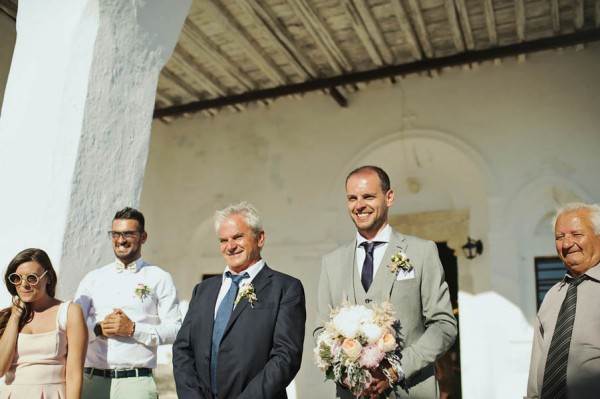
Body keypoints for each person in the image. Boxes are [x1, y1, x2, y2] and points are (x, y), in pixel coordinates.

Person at [315, 165, 457, 398]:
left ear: (389, 197)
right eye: (352, 198)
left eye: (368, 196)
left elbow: (444, 324)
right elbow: (321, 331)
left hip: (410, 391)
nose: (359, 205)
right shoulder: (331, 263)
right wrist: (345, 374)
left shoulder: (421, 252)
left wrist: (397, 369)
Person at [173, 201, 306, 399]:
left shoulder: (285, 288)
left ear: (259, 238)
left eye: (238, 237)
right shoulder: (203, 290)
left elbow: (286, 357)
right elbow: (182, 349)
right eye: (223, 240)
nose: (230, 246)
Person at [74, 207, 181, 399]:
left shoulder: (159, 278)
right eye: (115, 234)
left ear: (143, 237)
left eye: (128, 234)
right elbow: (73, 328)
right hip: (93, 379)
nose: (120, 240)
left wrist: (132, 329)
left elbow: (175, 329)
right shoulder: (93, 278)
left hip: (136, 381)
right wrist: (99, 329)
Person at [525, 202, 600, 399]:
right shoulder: (552, 295)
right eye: (560, 237)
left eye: (576, 234)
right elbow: (536, 366)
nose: (566, 244)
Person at [0, 248, 88, 398]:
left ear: (48, 278)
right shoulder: (7, 317)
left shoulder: (69, 312)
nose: (24, 285)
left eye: (32, 278)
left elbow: (74, 375)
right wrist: (15, 318)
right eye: (17, 278)